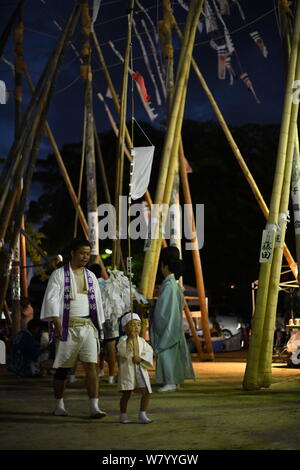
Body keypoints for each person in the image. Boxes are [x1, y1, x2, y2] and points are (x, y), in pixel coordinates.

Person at [40, 237, 106, 419]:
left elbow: (98, 304)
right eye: (82, 253)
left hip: (87, 327)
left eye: (87, 253)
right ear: (73, 253)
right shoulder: (59, 274)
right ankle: (58, 405)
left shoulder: (91, 276)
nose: (85, 257)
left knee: (91, 365)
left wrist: (99, 326)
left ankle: (94, 407)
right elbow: (52, 299)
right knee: (63, 368)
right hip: (67, 326)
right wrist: (58, 324)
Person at [149, 247, 195, 392]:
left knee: (166, 353)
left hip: (168, 325)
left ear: (166, 266)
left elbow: (163, 310)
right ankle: (174, 380)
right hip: (174, 324)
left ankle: (170, 381)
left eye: (162, 266)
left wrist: (152, 307)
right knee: (173, 355)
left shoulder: (169, 286)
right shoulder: (173, 285)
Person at [117, 312, 153, 424]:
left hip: (140, 369)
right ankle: (123, 415)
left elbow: (149, 351)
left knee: (146, 392)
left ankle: (142, 414)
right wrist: (129, 340)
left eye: (138, 325)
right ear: (125, 328)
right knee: (127, 393)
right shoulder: (123, 340)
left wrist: (141, 359)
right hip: (128, 370)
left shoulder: (142, 341)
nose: (136, 327)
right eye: (132, 325)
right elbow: (122, 351)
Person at [89, 264, 119, 384]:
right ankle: (111, 376)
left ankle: (97, 372)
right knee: (111, 349)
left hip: (96, 318)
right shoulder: (108, 284)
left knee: (96, 348)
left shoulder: (91, 285)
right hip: (111, 319)